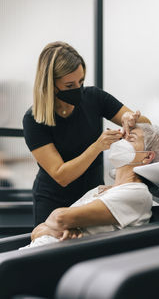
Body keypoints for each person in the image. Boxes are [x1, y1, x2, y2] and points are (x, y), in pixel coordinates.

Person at [23, 41, 151, 226]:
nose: (78, 89)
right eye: (69, 85)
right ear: (50, 84)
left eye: (81, 81)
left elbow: (146, 127)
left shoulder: (94, 98)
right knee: (48, 245)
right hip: (52, 199)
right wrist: (98, 146)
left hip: (90, 195)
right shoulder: (34, 119)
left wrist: (131, 119)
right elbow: (62, 176)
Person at [20, 123, 159, 249]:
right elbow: (37, 230)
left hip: (53, 261)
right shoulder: (99, 190)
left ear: (147, 156)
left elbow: (59, 218)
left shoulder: (137, 193)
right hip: (32, 253)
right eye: (122, 136)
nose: (120, 141)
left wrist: (57, 225)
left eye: (131, 138)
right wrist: (55, 228)